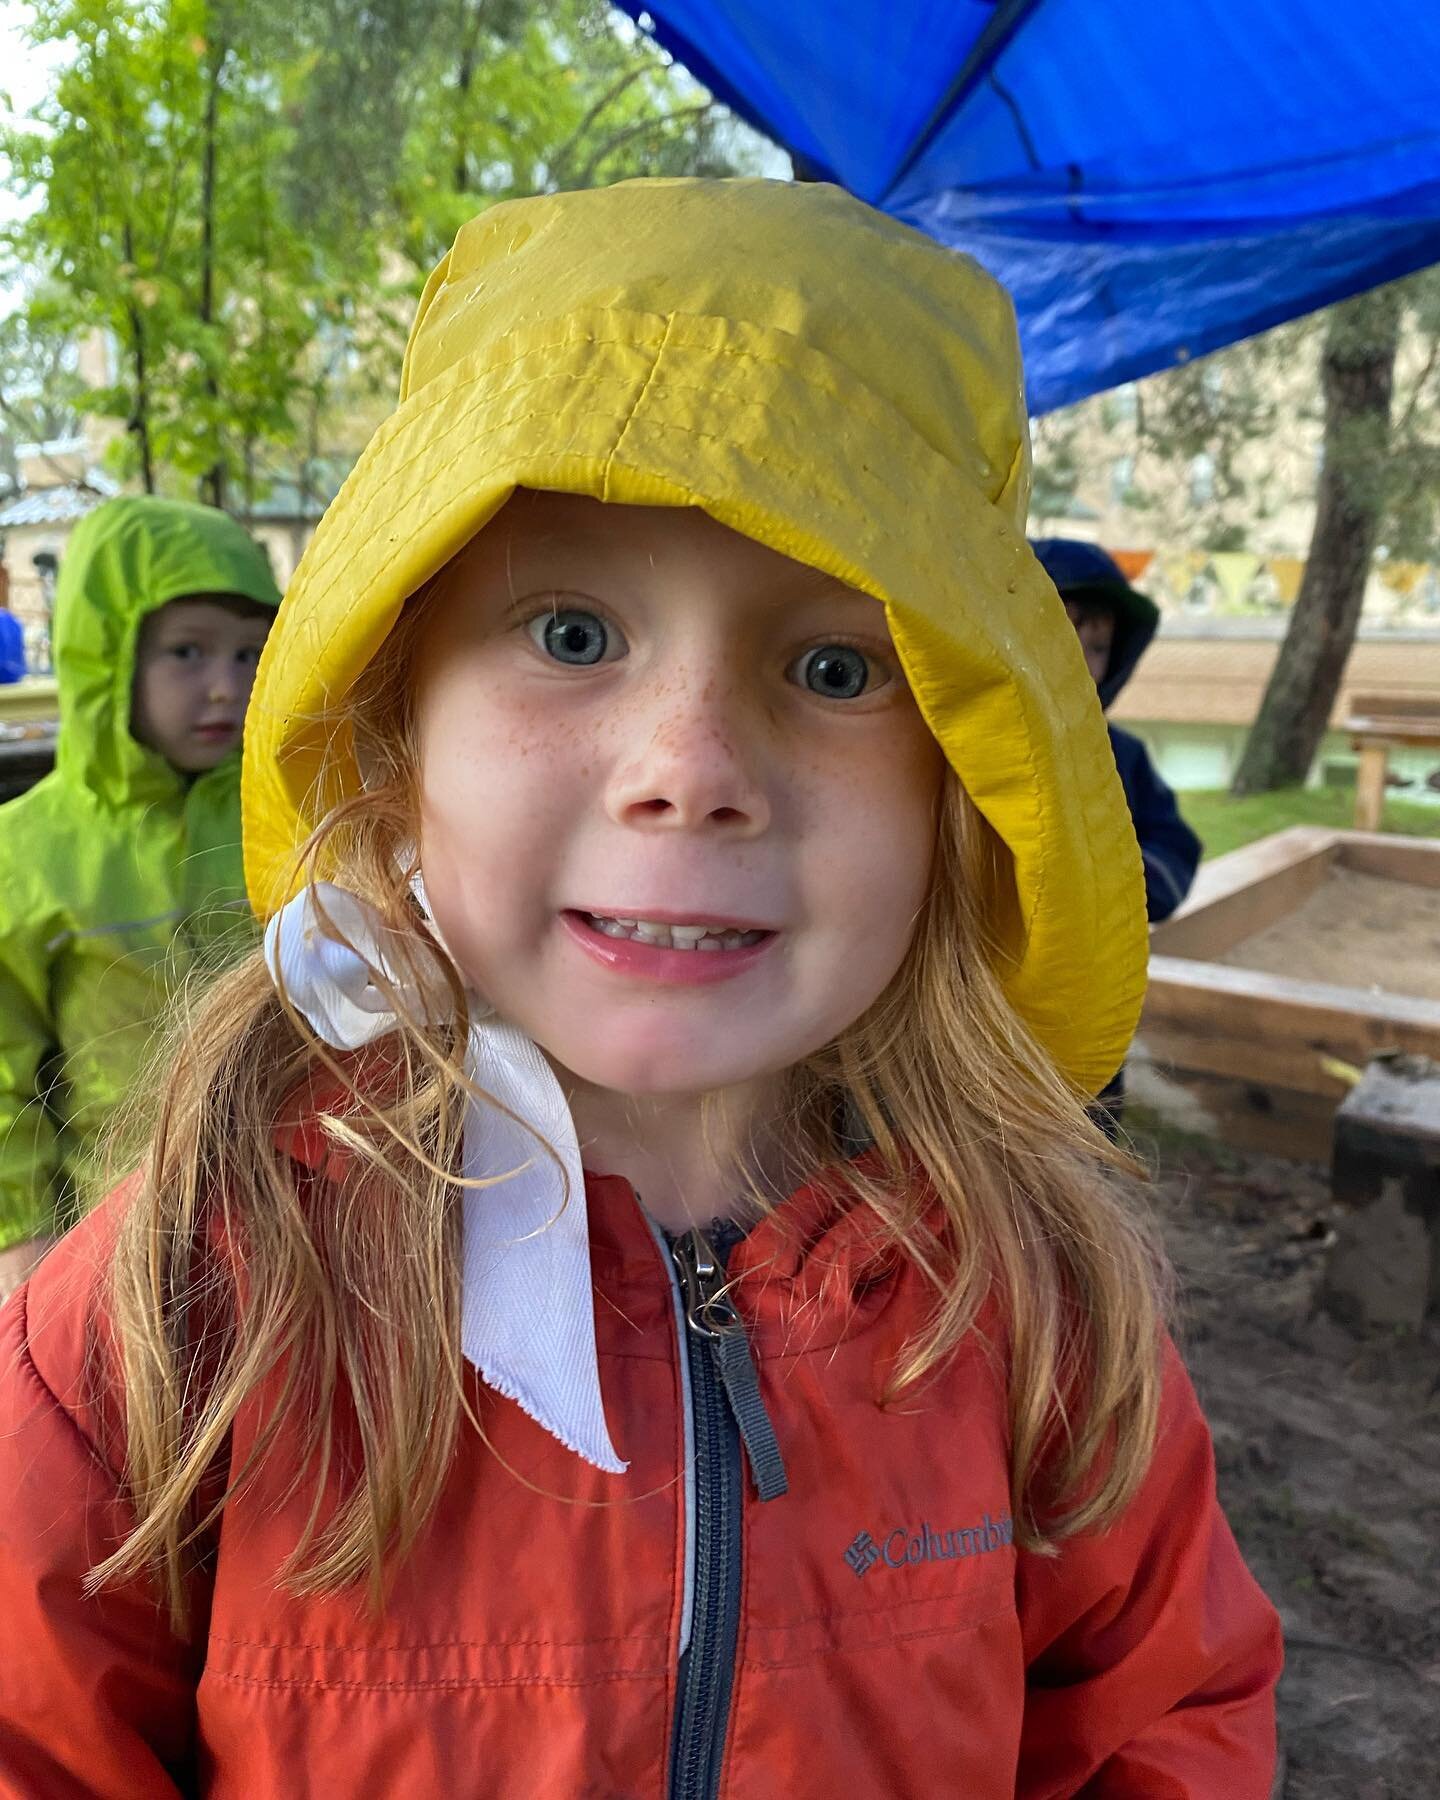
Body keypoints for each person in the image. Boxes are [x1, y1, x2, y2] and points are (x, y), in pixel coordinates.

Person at [0, 182, 1280, 1797]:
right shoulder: (188, 1293)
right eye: (573, 629)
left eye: (835, 668)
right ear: (395, 746)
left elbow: (1169, 1719)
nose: (690, 771)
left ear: (965, 783)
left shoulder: (1036, 1309)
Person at [0, 494, 279, 1302]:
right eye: (187, 653)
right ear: (108, 655)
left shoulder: (281, 812)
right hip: (115, 1243)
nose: (225, 687)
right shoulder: (29, 850)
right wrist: (22, 1236)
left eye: (248, 655)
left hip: (294, 1225)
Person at [1032, 538, 1202, 923]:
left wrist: (1112, 876)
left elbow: (1174, 855)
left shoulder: (1122, 756)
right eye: (1058, 642)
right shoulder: (964, 748)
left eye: (1097, 647)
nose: (1079, 665)